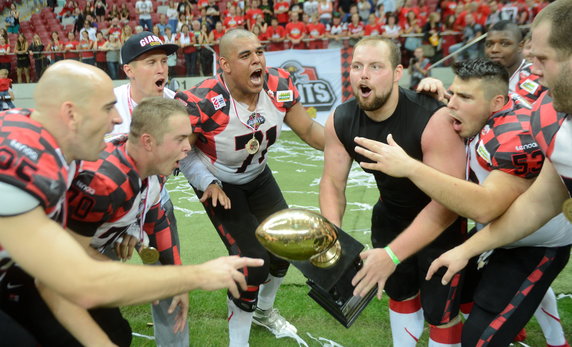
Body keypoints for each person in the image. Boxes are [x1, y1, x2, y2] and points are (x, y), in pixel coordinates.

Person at [0, 60, 263, 346]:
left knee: (115, 334)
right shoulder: (23, 158)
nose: (116, 118)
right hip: (25, 284)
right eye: (106, 107)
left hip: (26, 279)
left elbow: (52, 281)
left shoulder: (52, 148)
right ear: (70, 113)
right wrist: (196, 276)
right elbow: (77, 281)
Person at [355, 58, 571, 345]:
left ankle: (546, 334)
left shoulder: (515, 136)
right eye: (453, 93)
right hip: (496, 234)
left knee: (479, 338)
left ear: (496, 103)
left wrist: (410, 167)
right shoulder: (481, 113)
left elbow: (486, 206)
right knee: (454, 289)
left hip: (534, 244)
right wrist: (440, 93)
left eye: (464, 97)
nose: (451, 104)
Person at [424, 0, 572, 341]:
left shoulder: (526, 126)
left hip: (540, 243)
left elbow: (491, 205)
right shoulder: (552, 121)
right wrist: (466, 250)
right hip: (526, 235)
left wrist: (406, 167)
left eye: (542, 59)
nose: (532, 70)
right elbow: (537, 204)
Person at [174, 29, 325, 347]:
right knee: (252, 262)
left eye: (259, 52)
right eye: (246, 55)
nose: (257, 60)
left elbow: (310, 131)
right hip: (219, 184)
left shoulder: (279, 85)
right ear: (225, 65)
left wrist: (350, 146)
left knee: (286, 247)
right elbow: (182, 154)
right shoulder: (204, 101)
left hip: (257, 176)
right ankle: (238, 341)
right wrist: (208, 182)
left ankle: (264, 312)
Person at [319, 36, 466, 346]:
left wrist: (392, 254)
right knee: (399, 293)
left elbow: (448, 203)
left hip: (442, 222)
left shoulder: (431, 117)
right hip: (390, 216)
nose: (364, 74)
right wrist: (335, 239)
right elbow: (333, 183)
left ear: (398, 72)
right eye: (357, 66)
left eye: (375, 66)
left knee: (440, 311)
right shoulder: (341, 119)